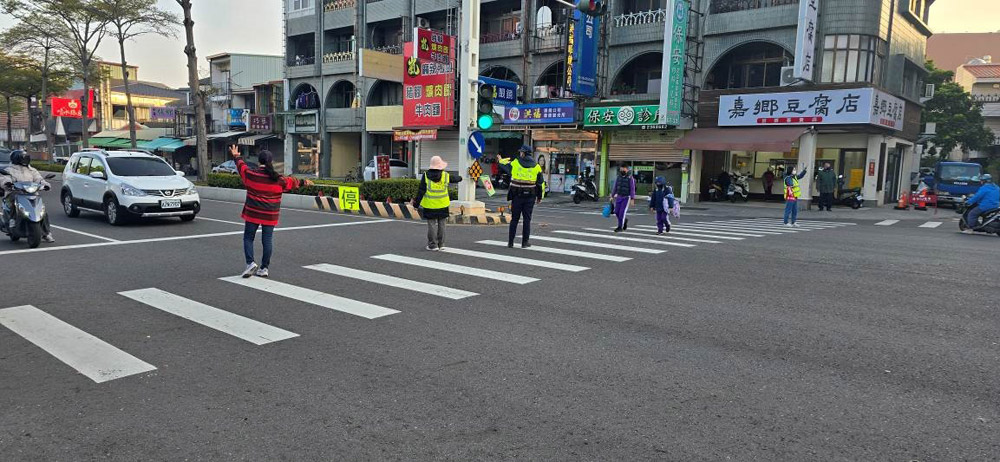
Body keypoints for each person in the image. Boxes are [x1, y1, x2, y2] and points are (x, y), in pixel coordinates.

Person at [231, 145, 313, 278]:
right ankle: (264, 268)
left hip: (253, 213)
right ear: (271, 162)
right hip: (270, 215)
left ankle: (250, 263)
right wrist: (305, 182)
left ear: (259, 161)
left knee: (248, 238)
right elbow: (293, 182)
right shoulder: (278, 180)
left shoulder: (251, 175)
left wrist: (236, 156)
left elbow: (241, 167)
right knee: (267, 240)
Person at [0, 150, 54, 243]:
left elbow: (38, 179)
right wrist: (7, 183)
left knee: (42, 210)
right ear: (17, 159)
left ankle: (46, 233)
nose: (25, 159)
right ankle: (12, 220)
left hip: (31, 193)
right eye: (23, 157)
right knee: (13, 202)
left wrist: (45, 184)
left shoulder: (31, 170)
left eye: (26, 157)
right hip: (15, 193)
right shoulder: (9, 170)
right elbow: (4, 178)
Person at [413, 156, 462, 250]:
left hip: (430, 205)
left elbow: (421, 191)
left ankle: (432, 245)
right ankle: (441, 244)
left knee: (431, 225)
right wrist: (462, 177)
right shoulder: (445, 175)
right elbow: (456, 178)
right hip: (443, 205)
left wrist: (416, 204)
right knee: (442, 224)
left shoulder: (426, 175)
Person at [499, 145, 543, 248]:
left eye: (521, 152)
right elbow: (540, 184)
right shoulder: (537, 166)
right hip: (530, 197)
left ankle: (510, 242)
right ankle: (524, 242)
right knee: (527, 220)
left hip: (517, 196)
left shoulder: (516, 163)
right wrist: (539, 197)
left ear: (523, 153)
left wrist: (500, 160)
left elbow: (505, 166)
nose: (520, 154)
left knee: (514, 219)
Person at [612, 165, 636, 232]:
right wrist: (612, 196)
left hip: (626, 197)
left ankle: (620, 227)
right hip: (619, 197)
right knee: (616, 212)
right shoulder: (618, 177)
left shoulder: (630, 178)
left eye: (624, 169)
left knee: (622, 212)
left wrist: (632, 199)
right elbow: (615, 187)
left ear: (627, 170)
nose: (622, 171)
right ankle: (624, 220)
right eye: (621, 169)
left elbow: (632, 189)